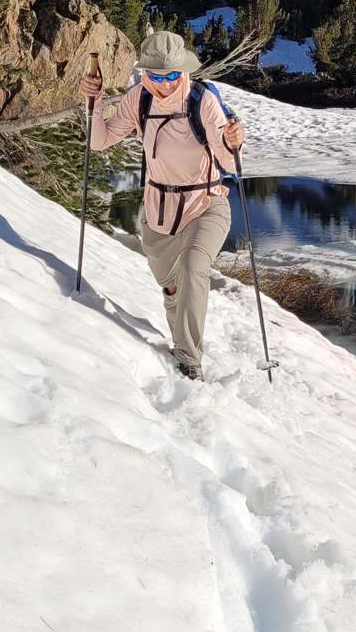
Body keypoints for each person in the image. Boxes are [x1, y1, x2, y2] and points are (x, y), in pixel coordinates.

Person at [79, 30, 246, 380]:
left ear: (183, 70)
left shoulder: (202, 100)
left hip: (206, 203)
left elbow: (229, 162)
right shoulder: (139, 99)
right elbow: (100, 142)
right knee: (170, 286)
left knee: (193, 267)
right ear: (145, 74)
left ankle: (189, 361)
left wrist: (234, 142)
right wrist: (93, 103)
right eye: (156, 77)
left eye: (172, 75)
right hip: (158, 210)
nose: (166, 83)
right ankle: (180, 339)